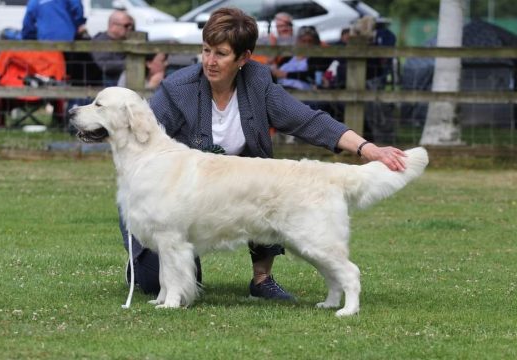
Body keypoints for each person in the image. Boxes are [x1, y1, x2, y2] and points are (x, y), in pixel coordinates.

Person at [122, 7, 406, 301]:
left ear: (244, 58)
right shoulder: (178, 89)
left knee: (264, 185)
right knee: (152, 281)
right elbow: (145, 139)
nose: (210, 61)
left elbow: (308, 120)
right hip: (176, 199)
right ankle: (144, 261)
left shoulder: (258, 84)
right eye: (206, 50)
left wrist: (366, 148)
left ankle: (262, 278)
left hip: (245, 188)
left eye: (221, 53)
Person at [91, 10, 135, 87]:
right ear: (113, 25)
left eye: (131, 26)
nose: (130, 28)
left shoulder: (128, 40)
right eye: (126, 25)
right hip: (104, 86)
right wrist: (132, 64)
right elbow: (105, 66)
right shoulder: (101, 41)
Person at [21, 0, 87, 41]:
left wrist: (29, 37)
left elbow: (27, 24)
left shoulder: (35, 1)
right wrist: (78, 24)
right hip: (67, 39)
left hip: (45, 42)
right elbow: (77, 8)